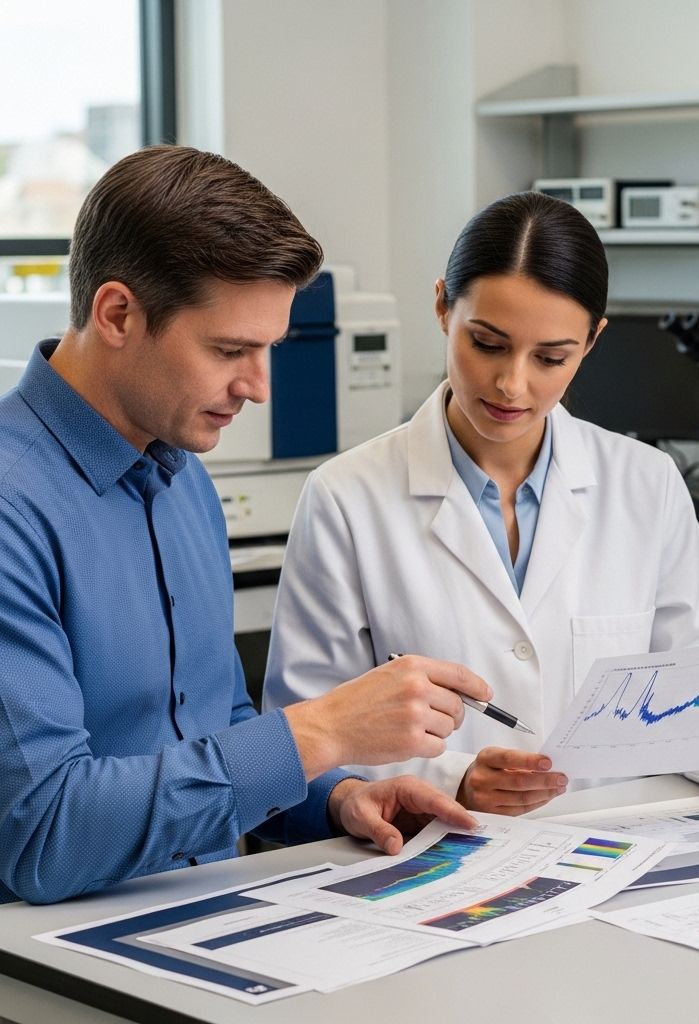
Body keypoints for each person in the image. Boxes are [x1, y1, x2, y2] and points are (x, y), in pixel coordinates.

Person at [0, 146, 495, 906]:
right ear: (117, 314)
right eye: (230, 349)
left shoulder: (184, 479)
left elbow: (217, 721)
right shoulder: (13, 507)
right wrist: (318, 732)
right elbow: (41, 833)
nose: (257, 387)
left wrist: (331, 798)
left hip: (202, 914)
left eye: (268, 349)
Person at [264, 190, 699, 815]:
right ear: (442, 309)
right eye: (487, 344)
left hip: (613, 847)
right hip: (433, 855)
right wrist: (455, 779)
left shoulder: (646, 482)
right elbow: (305, 736)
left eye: (551, 357)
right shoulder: (347, 497)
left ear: (592, 342)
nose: (513, 384)